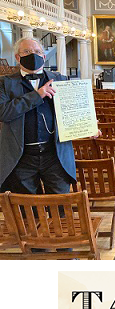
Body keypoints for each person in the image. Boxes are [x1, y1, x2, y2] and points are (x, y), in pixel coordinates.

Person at [0, 37, 76, 196]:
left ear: (43, 56)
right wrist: (37, 96)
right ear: (17, 57)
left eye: (37, 52)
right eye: (27, 52)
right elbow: (3, 113)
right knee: (28, 212)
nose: (33, 55)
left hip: (55, 155)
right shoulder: (4, 83)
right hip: (21, 158)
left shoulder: (60, 79)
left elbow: (73, 111)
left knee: (60, 206)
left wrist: (89, 126)